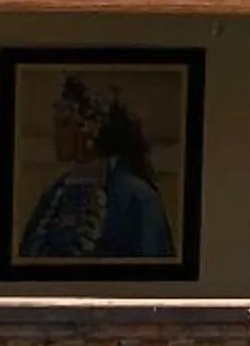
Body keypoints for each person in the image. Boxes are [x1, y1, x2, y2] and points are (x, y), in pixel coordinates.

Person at [17, 77, 173, 262]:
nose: (56, 135)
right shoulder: (54, 194)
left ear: (91, 130)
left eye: (65, 124)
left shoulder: (138, 198)